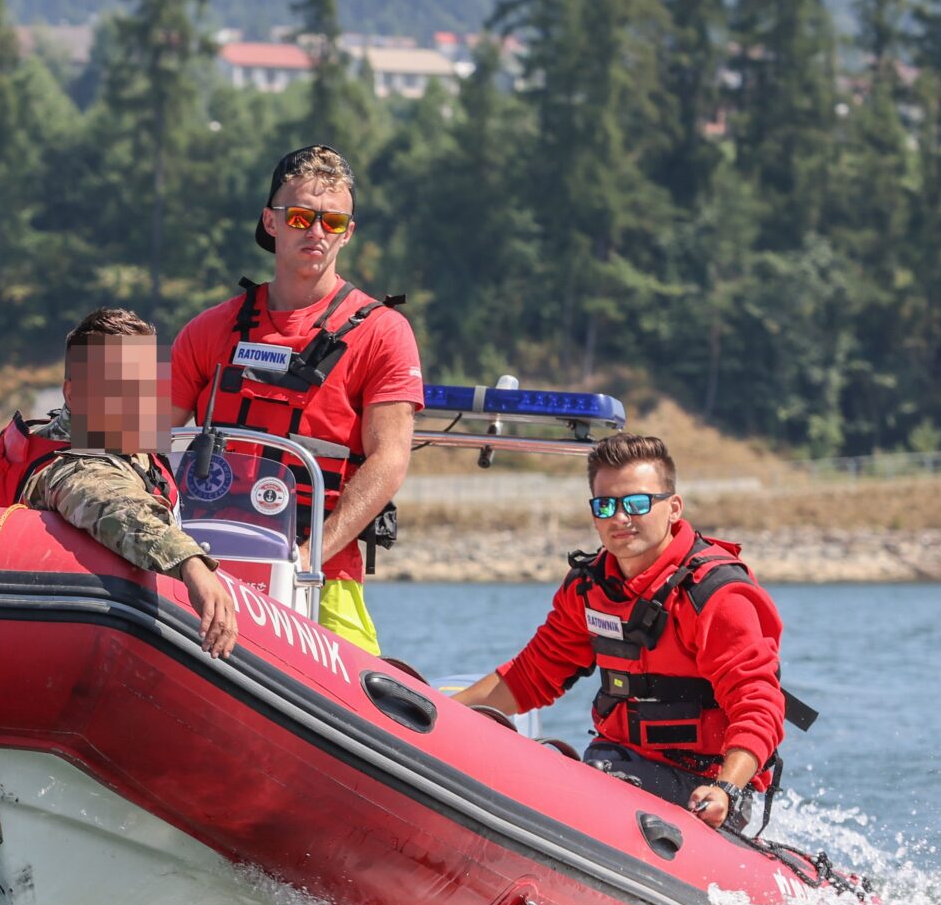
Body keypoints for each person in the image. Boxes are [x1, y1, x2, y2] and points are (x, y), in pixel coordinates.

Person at [450, 434, 806, 832]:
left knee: (596, 784)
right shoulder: (588, 590)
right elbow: (528, 677)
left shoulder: (715, 595)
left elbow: (757, 703)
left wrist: (726, 788)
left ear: (673, 508)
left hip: (703, 786)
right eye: (605, 506)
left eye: (636, 503)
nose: (620, 518)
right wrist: (444, 714)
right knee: (562, 771)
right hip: (617, 761)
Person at [166, 145, 423, 655]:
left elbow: (390, 459)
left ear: (348, 232)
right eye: (302, 216)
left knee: (352, 713)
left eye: (332, 222)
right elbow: (142, 440)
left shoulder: (383, 334)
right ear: (271, 221)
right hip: (202, 564)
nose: (316, 232)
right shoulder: (209, 329)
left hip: (323, 575)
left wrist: (307, 558)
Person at [0, 307, 238, 658]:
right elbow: (114, 504)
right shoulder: (68, 467)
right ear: (74, 396)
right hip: (66, 650)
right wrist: (192, 566)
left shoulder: (130, 448)